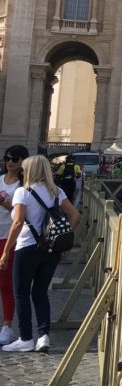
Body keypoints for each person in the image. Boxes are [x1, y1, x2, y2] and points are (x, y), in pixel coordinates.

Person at [0, 155, 80, 353]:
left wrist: (6, 251)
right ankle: (43, 336)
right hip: (50, 249)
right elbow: (75, 215)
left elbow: (18, 223)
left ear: (30, 170)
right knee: (40, 292)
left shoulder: (22, 192)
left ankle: (26, 338)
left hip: (27, 247)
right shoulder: (57, 191)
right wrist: (63, 243)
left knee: (21, 293)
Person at [0, 145, 28, 345]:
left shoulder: (23, 186)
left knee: (6, 284)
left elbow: (20, 214)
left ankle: (7, 326)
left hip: (9, 237)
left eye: (15, 159)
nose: (10, 162)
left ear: (22, 163)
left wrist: (4, 203)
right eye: (8, 158)